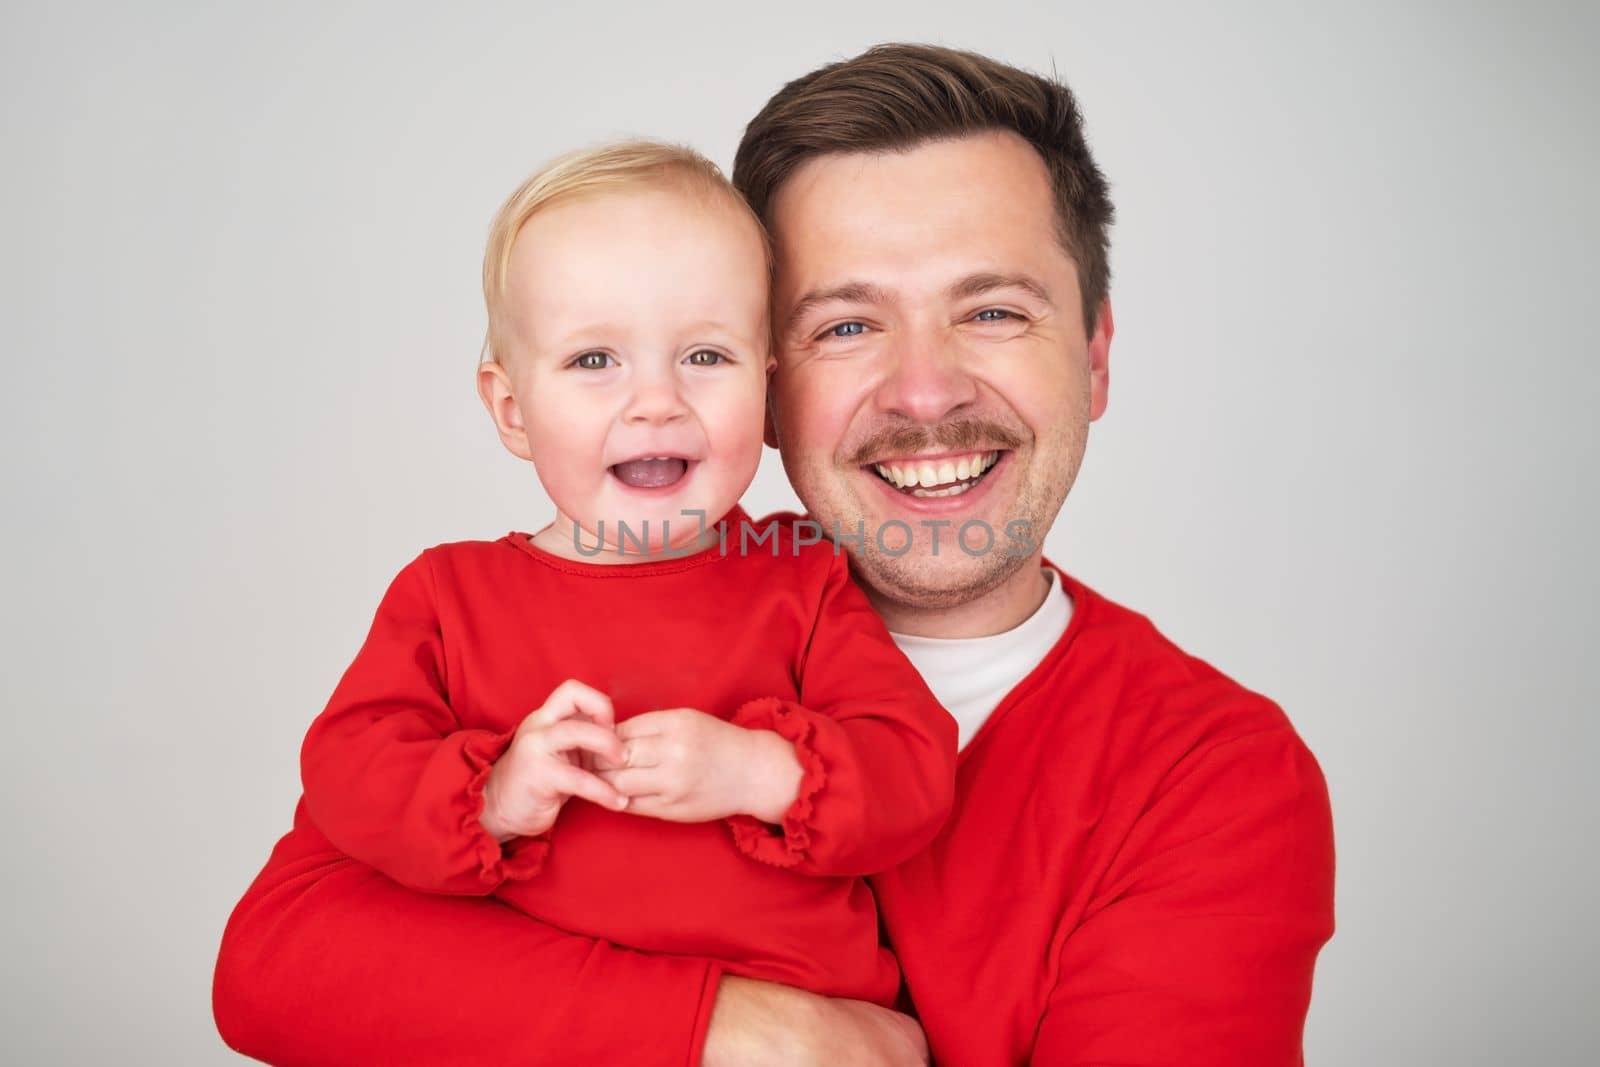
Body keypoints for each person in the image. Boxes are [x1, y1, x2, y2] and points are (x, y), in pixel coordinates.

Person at [214, 43, 1335, 1067]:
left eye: (992, 310)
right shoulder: (504, 615)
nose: (926, 388)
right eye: (844, 324)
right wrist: (735, 1028)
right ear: (775, 384)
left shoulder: (1212, 772)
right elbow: (277, 961)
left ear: (1092, 356)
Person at [292, 138, 956, 1010]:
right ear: (512, 408)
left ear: (767, 388)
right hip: (561, 1025)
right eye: (594, 361)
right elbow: (347, 768)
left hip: (808, 1013)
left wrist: (760, 771)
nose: (656, 402)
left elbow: (912, 769)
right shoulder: (450, 596)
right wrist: (493, 794)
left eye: (705, 357)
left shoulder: (800, 574)